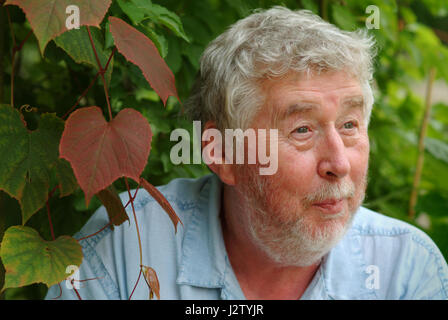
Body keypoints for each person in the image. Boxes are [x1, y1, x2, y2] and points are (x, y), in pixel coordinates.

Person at [46, 6, 448, 300]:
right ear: (221, 153)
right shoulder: (124, 247)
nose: (340, 164)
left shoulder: (405, 270)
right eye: (302, 130)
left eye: (350, 125)